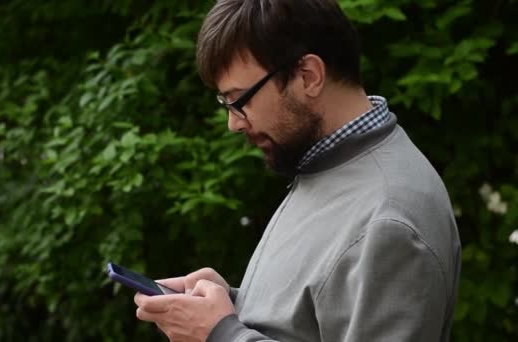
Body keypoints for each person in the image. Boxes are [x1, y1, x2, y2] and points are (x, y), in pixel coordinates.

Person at [134, 0, 462, 341]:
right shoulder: (328, 167)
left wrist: (222, 334)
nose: (233, 123)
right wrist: (230, 306)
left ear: (308, 76)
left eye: (239, 100)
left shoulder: (391, 221)